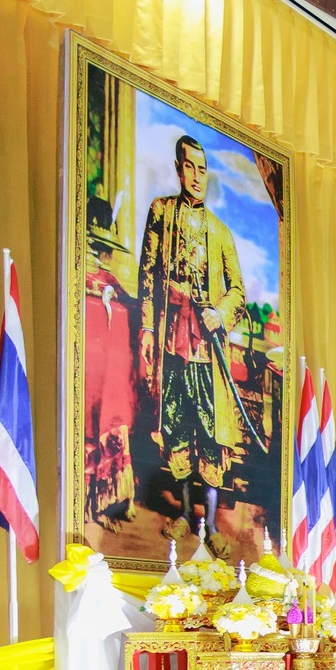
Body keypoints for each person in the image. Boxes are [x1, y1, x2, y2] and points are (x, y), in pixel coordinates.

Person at [138, 134, 249, 524]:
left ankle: (211, 525)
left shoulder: (220, 232)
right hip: (172, 342)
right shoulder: (161, 212)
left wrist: (219, 313)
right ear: (178, 168)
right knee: (176, 426)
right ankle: (185, 515)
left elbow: (238, 292)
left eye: (203, 169)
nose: (197, 176)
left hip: (207, 352)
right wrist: (147, 329)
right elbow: (148, 276)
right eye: (190, 167)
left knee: (211, 433)